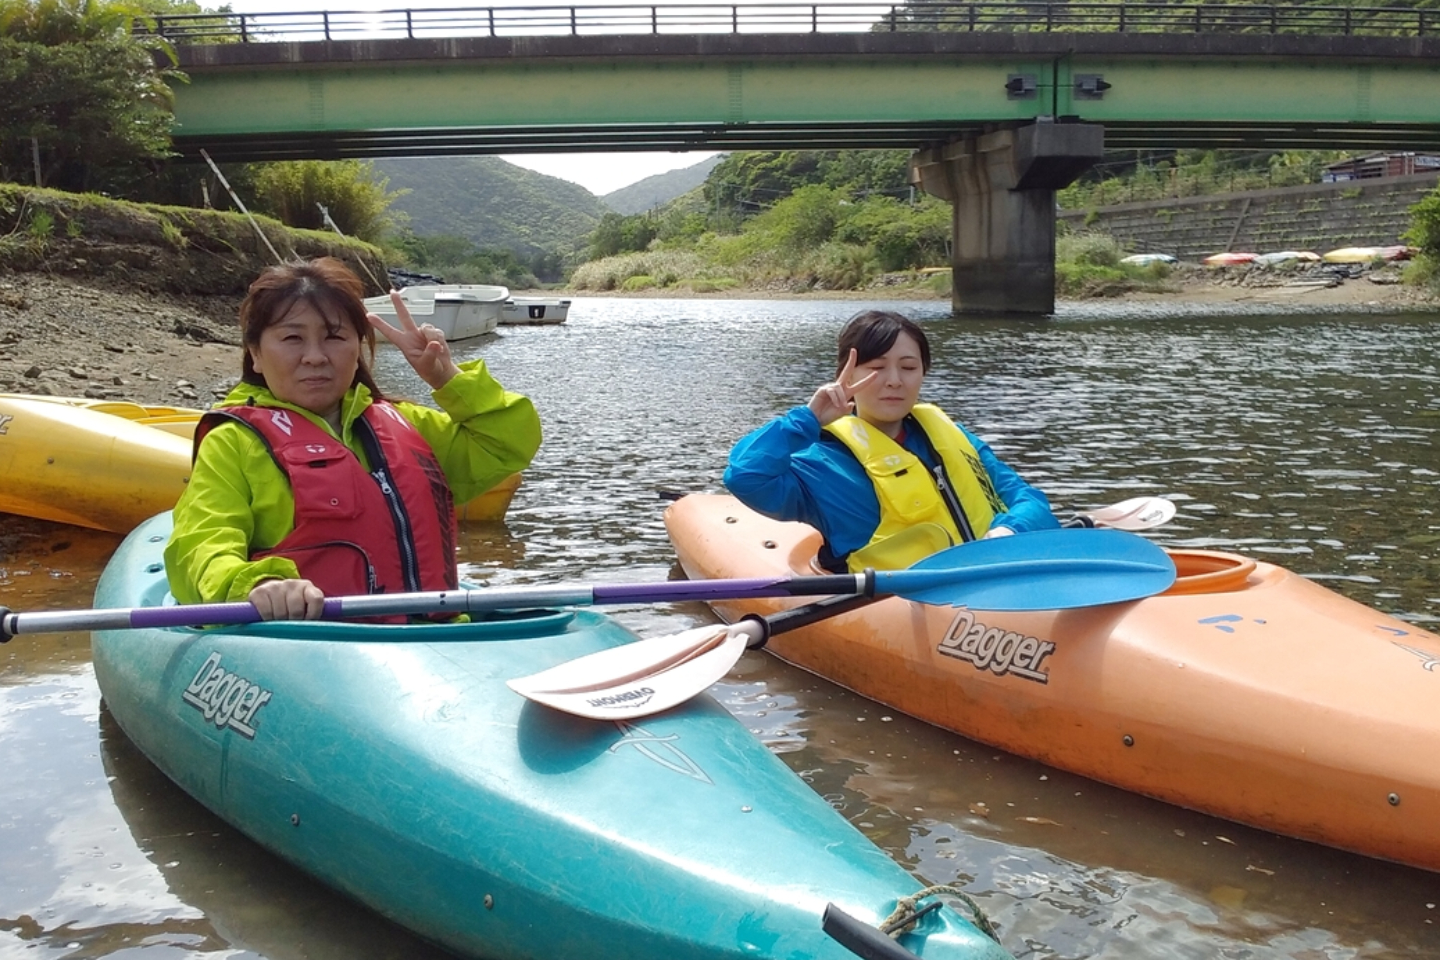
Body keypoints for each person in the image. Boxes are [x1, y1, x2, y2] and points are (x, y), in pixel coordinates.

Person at [164, 257, 542, 620]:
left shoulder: (406, 424)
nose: (315, 357)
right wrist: (257, 584)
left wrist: (447, 378)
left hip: (433, 638)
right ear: (256, 355)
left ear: (357, 349)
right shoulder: (233, 442)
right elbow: (202, 543)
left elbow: (507, 444)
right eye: (292, 338)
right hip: (317, 644)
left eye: (334, 337)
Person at [724, 309, 1057, 573]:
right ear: (846, 375)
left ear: (923, 372)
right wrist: (805, 420)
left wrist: (1009, 531)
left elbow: (1030, 500)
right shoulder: (821, 465)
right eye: (876, 368)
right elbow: (745, 476)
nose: (894, 381)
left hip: (993, 581)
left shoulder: (952, 437)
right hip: (905, 607)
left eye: (908, 367)